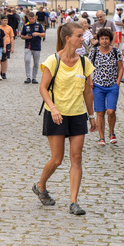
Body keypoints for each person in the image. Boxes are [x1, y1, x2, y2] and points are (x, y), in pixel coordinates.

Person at [33, 21, 97, 215]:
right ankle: (40, 186)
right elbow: (43, 87)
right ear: (68, 38)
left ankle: (73, 202)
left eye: (83, 35)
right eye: (79, 35)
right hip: (56, 114)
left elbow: (88, 91)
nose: (82, 38)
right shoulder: (53, 60)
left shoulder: (84, 62)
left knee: (76, 157)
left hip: (77, 113)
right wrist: (52, 108)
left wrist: (91, 116)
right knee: (57, 159)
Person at [87, 28, 123, 147]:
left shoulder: (115, 52)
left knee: (111, 111)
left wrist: (117, 82)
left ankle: (112, 133)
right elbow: (88, 67)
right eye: (102, 38)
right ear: (98, 39)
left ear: (110, 40)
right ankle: (101, 137)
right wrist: (90, 80)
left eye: (106, 38)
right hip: (98, 85)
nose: (104, 41)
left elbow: (121, 68)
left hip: (112, 85)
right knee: (100, 112)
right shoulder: (94, 51)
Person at [21, 12, 45, 84]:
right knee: (27, 60)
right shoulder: (26, 25)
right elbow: (22, 36)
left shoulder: (39, 25)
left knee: (36, 63)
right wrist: (26, 37)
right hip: (28, 46)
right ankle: (28, 77)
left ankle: (34, 77)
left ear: (35, 18)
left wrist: (37, 34)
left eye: (32, 18)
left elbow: (44, 34)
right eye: (30, 18)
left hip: (37, 46)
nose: (31, 20)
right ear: (28, 18)